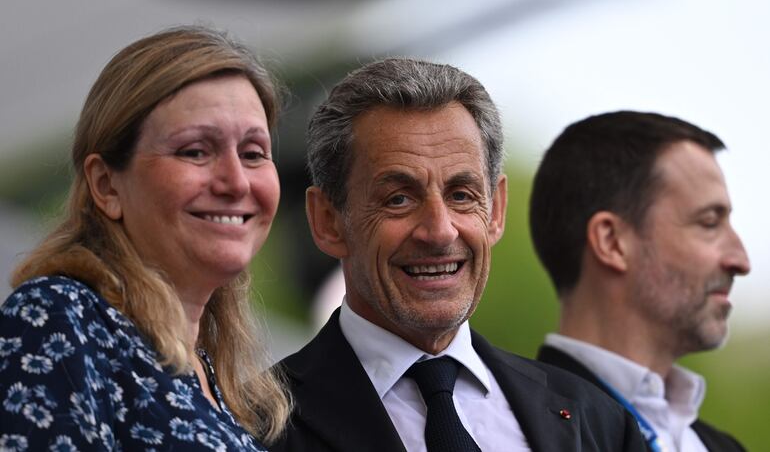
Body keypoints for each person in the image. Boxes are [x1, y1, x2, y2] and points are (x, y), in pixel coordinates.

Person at [271, 58, 646, 451]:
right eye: (398, 198)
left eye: (462, 196)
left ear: (496, 210)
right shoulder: (255, 426)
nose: (440, 231)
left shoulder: (600, 424)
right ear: (328, 221)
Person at [0, 26, 291, 450]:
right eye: (195, 151)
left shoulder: (212, 374)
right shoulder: (59, 318)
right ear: (106, 185)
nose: (236, 182)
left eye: (252, 154)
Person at [530, 111, 751, 452]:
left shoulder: (721, 445)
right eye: (709, 223)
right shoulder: (511, 429)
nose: (741, 261)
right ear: (612, 242)